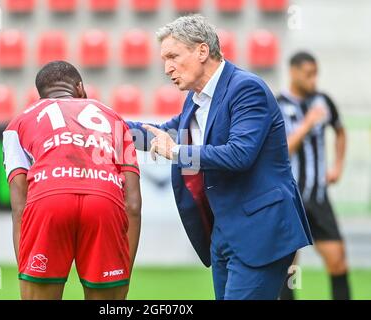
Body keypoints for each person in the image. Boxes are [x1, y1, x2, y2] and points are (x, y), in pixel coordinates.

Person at [127, 14, 312, 300]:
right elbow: (163, 134)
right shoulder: (196, 97)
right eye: (165, 59)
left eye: (173, 56)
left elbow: (240, 155)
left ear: (202, 51)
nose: (167, 68)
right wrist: (105, 126)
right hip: (225, 233)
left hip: (260, 231)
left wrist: (174, 152)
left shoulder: (247, 88)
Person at [2, 61, 142, 300]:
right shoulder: (115, 119)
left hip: (48, 201)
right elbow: (133, 204)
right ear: (80, 87)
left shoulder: (18, 124)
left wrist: (28, 267)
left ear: (41, 96)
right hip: (104, 201)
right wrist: (122, 271)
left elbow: (19, 207)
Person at [277, 52, 349, 300]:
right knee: (287, 267)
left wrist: (337, 166)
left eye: (315, 73)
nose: (313, 79)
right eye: (308, 74)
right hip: (291, 199)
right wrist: (307, 124)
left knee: (338, 260)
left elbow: (340, 131)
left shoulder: (324, 101)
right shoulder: (278, 104)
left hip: (318, 198)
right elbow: (283, 150)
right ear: (293, 72)